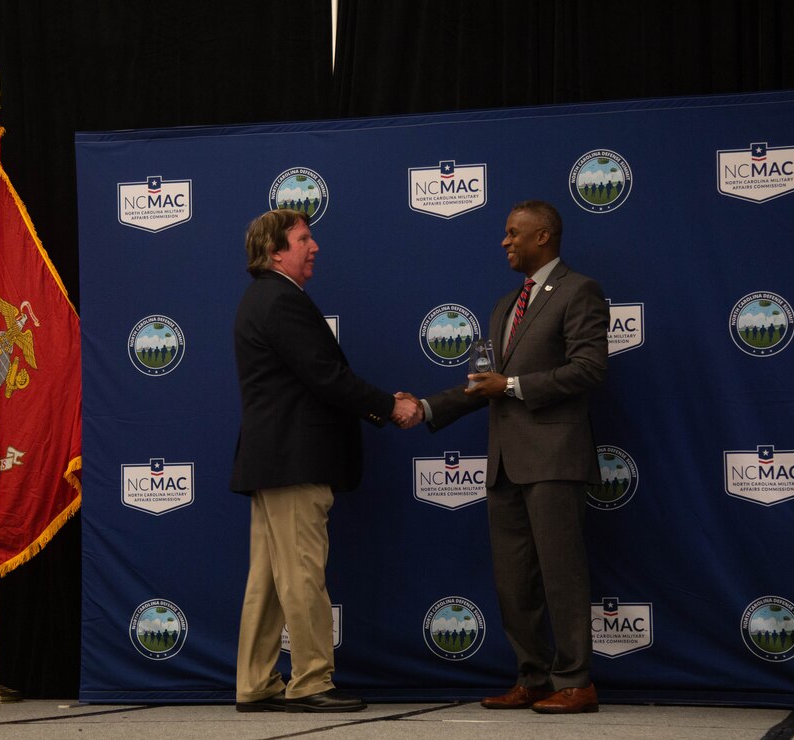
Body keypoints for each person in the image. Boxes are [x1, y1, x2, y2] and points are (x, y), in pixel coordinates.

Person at [397, 200, 609, 714]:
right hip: (504, 465)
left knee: (561, 574)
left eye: (513, 233)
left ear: (543, 236)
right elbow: (483, 384)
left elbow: (589, 369)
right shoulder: (503, 306)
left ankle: (576, 682)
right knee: (514, 581)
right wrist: (426, 407)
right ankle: (533, 678)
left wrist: (512, 385)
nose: (504, 241)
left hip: (554, 461)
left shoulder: (579, 291)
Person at [230, 208, 418, 713]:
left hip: (274, 461)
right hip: (294, 461)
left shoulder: (263, 298)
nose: (315, 247)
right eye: (303, 239)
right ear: (275, 252)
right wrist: (390, 406)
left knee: (269, 579)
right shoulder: (281, 300)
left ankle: (255, 682)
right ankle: (311, 680)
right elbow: (326, 377)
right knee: (301, 574)